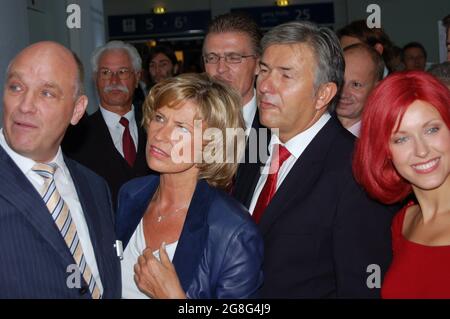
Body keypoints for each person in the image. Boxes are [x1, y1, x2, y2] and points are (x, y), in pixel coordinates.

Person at [234, 21, 396, 298]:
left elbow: (359, 288)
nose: (265, 86)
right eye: (264, 71)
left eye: (286, 75)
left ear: (324, 94)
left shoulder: (357, 170)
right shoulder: (252, 147)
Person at [116, 73, 263, 299]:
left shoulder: (233, 232)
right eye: (160, 118)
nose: (161, 135)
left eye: (182, 128)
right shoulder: (130, 193)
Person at [0, 41, 121, 298]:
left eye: (46, 93)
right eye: (16, 87)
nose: (25, 105)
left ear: (77, 110)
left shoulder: (95, 186)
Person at [353, 71, 450, 298]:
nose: (422, 150)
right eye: (401, 138)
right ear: (385, 152)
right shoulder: (403, 222)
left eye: (432, 129)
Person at [63, 41, 152, 207]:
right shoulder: (74, 137)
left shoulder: (155, 127)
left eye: (123, 72)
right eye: (105, 72)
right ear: (95, 78)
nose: (114, 80)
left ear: (137, 76)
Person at [202, 12, 269, 191]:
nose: (221, 68)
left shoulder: (278, 129)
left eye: (233, 58)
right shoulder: (188, 124)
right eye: (212, 58)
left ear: (258, 65)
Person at [336, 43, 385, 137]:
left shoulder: (381, 141)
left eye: (356, 85)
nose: (342, 93)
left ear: (376, 90)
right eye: (340, 81)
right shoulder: (309, 125)